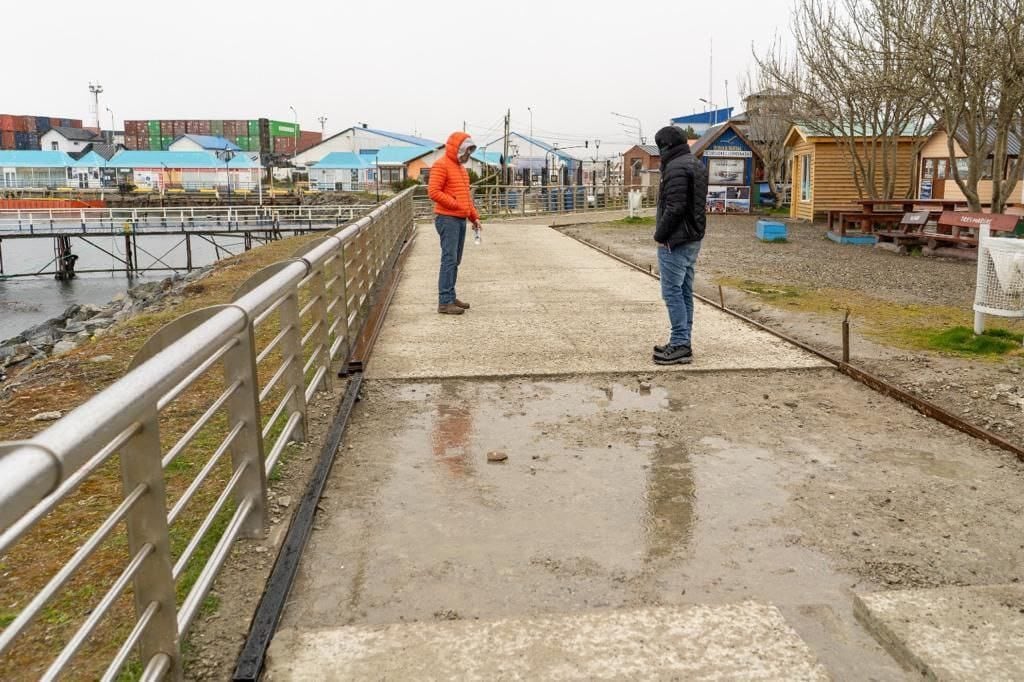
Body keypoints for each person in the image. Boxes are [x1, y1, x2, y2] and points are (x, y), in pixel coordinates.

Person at [652, 126, 707, 365]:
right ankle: (682, 340)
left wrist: (659, 235)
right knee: (684, 291)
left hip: (675, 239)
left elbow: (674, 207)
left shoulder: (675, 168)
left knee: (672, 292)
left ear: (665, 146)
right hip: (692, 236)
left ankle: (680, 344)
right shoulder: (694, 163)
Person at [428, 131, 481, 315]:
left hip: (459, 219)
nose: (467, 156)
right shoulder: (441, 165)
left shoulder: (460, 169)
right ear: (457, 149)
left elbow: (466, 197)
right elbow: (434, 192)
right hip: (447, 218)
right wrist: (455, 204)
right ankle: (444, 301)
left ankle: (450, 296)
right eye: (466, 151)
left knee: (455, 260)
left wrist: (474, 217)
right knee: (449, 259)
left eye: (470, 152)